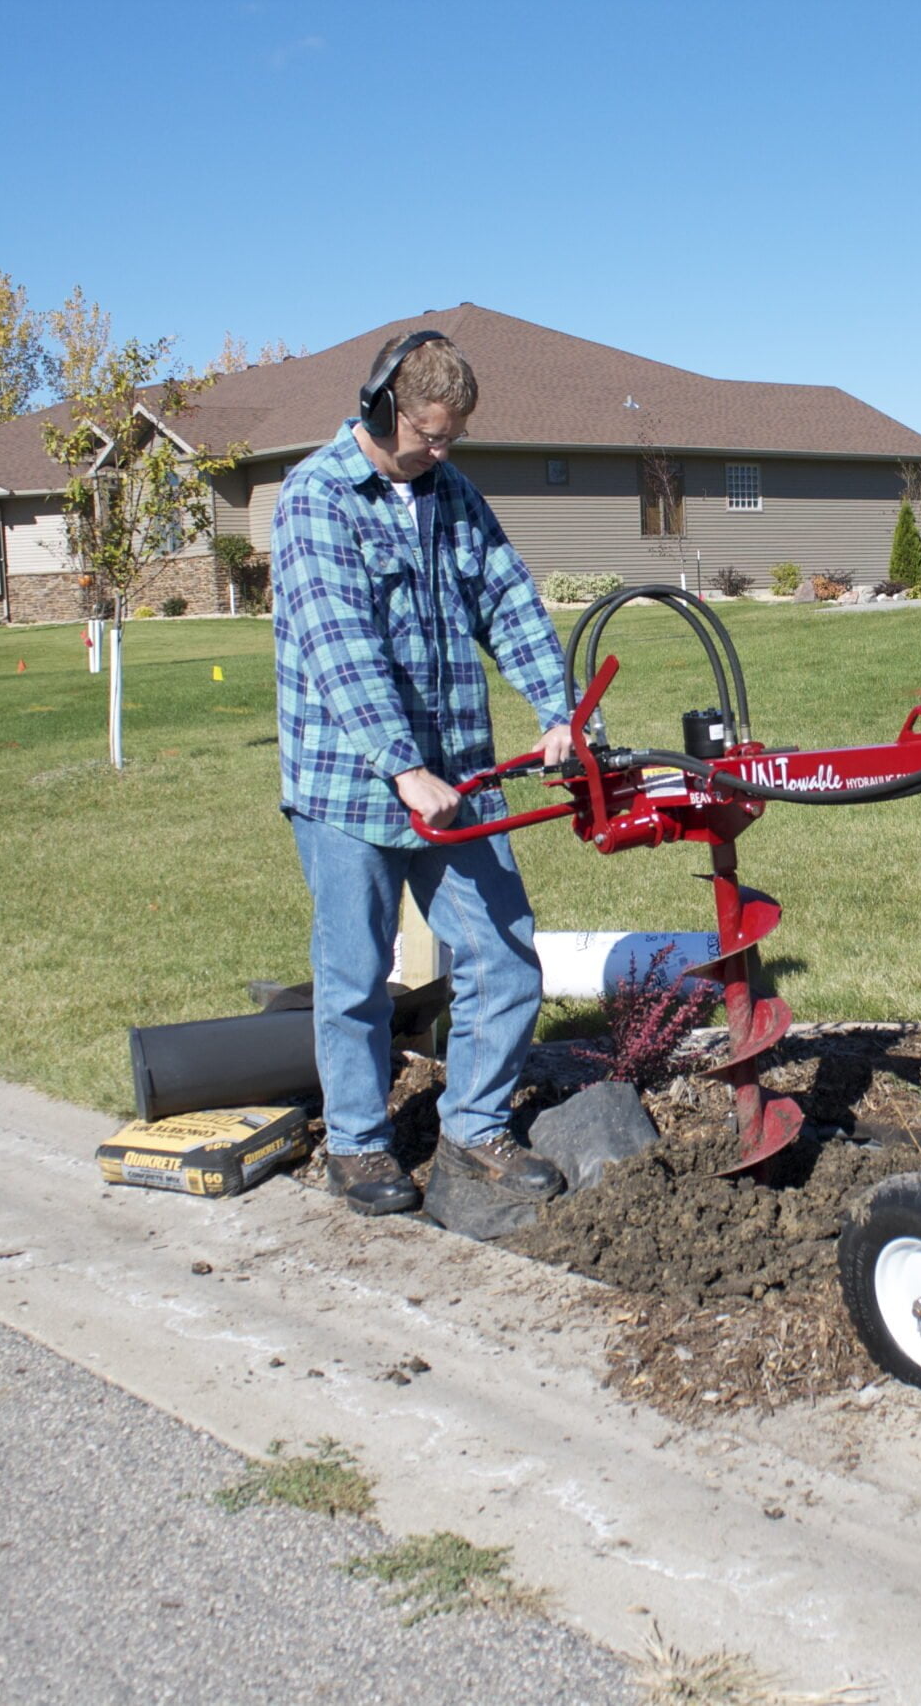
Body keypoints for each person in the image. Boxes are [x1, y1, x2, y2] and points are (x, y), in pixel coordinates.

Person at [272, 331, 573, 1216]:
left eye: (453, 441)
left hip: (460, 778)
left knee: (505, 952)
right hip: (348, 785)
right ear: (379, 408)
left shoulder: (450, 493)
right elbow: (340, 649)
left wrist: (555, 707)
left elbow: (507, 596)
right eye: (429, 437)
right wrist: (403, 765)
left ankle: (474, 1129)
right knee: (357, 973)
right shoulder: (316, 499)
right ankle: (359, 1145)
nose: (441, 455)